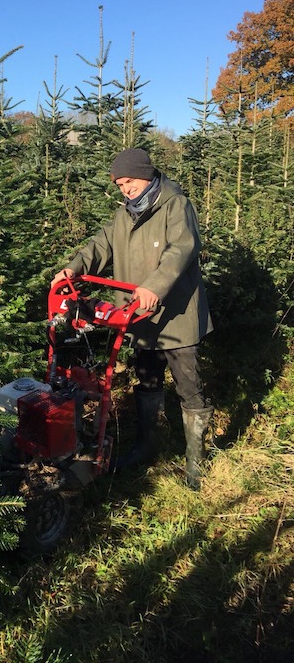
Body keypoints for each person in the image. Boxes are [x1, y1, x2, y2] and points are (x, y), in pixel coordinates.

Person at [51, 147, 214, 490]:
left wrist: (154, 286)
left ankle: (195, 462)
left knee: (188, 386)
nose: (125, 190)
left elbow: (182, 249)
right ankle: (147, 445)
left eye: (128, 182)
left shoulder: (175, 204)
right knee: (147, 380)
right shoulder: (125, 214)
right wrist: (74, 268)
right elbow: (101, 245)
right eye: (120, 185)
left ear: (145, 174)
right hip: (139, 315)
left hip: (176, 315)